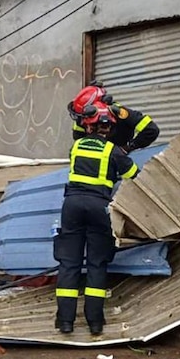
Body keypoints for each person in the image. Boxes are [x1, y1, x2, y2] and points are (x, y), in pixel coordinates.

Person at [55, 103, 139, 336]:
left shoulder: (76, 147)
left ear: (88, 126)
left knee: (69, 263)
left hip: (71, 206)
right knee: (96, 264)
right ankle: (95, 323)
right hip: (98, 207)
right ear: (110, 129)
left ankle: (65, 322)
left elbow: (78, 131)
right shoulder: (113, 151)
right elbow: (134, 174)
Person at [67, 81, 160, 153]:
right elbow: (78, 140)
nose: (82, 121)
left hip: (120, 161)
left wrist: (128, 147)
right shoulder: (81, 118)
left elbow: (151, 129)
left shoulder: (121, 114)